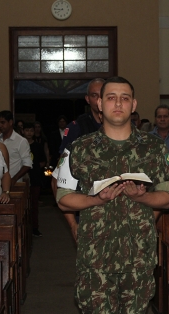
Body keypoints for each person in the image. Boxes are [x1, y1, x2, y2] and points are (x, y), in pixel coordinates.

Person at [55, 76, 169, 314]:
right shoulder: (79, 148)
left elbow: (168, 197)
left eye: (124, 98)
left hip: (138, 257)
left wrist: (142, 197)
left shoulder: (154, 147)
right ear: (99, 103)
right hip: (95, 258)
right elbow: (63, 199)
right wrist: (95, 200)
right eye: (111, 97)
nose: (117, 103)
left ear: (134, 105)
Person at [55, 78, 105, 240]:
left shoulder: (126, 128)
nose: (98, 100)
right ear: (87, 99)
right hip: (86, 208)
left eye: (102, 95)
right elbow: (59, 178)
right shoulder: (77, 128)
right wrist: (72, 224)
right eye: (94, 95)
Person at [0, 110, 32, 186]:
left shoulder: (21, 141)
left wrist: (14, 179)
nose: (0, 125)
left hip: (14, 183)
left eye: (3, 122)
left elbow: (27, 164)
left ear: (10, 122)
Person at [23, 123, 46, 237]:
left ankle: (35, 228)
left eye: (31, 130)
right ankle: (24, 229)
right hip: (21, 177)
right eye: (27, 130)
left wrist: (35, 168)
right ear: (23, 131)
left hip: (35, 177)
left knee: (34, 204)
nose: (29, 133)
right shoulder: (21, 145)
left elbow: (43, 161)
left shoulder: (37, 146)